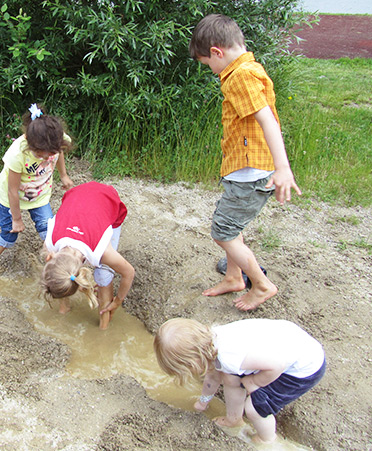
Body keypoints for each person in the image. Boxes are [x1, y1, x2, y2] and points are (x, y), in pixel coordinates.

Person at [189, 14, 302, 311]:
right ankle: (233, 277)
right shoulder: (250, 68)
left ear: (217, 52)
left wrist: (283, 168)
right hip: (246, 170)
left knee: (222, 231)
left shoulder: (239, 76)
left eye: (207, 63)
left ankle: (261, 285)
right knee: (232, 224)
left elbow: (267, 119)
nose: (211, 70)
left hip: (251, 174)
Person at [154, 318, 325, 444]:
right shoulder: (212, 343)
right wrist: (203, 402)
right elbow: (213, 377)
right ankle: (233, 419)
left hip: (303, 368)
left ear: (194, 361)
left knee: (254, 409)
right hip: (285, 342)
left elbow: (276, 365)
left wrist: (255, 382)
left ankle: (267, 440)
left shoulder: (230, 358)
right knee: (230, 377)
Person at [0, 103, 74, 289]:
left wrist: (63, 175)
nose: (46, 158)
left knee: (49, 233)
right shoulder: (17, 153)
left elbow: (59, 152)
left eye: (50, 154)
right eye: (40, 155)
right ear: (30, 144)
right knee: (8, 236)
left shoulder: (55, 139)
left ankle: (58, 274)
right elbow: (12, 190)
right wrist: (17, 219)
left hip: (39, 195)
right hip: (11, 198)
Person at [40, 182, 135, 330]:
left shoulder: (101, 251)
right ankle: (64, 309)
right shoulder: (50, 243)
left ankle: (104, 325)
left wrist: (118, 301)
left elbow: (129, 272)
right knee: (59, 273)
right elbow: (59, 271)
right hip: (76, 194)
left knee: (103, 275)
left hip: (109, 201)